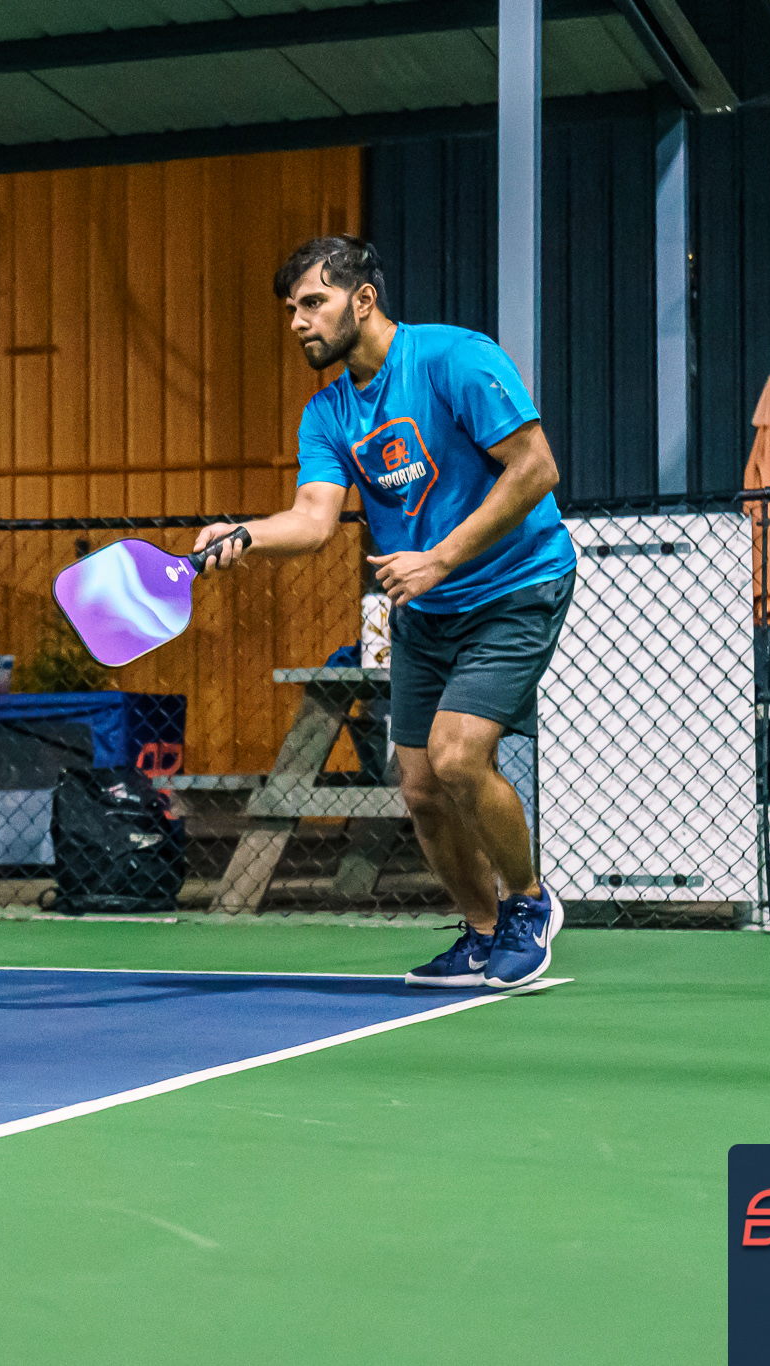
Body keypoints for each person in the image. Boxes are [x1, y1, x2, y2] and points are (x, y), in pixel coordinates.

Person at [195, 235, 576, 990]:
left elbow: (537, 467)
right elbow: (312, 520)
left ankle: (529, 904)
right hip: (427, 610)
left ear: (362, 299)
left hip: (516, 585)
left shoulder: (455, 359)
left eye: (313, 303)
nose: (298, 322)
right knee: (423, 788)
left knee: (459, 755)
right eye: (291, 309)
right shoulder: (328, 413)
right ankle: (481, 932)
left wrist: (440, 557)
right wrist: (244, 534)